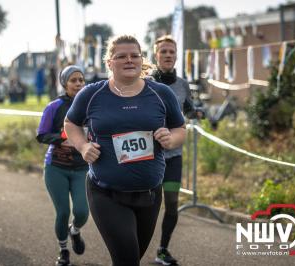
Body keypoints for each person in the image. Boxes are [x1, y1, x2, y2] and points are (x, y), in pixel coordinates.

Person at [64, 35, 186, 266]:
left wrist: (171, 139)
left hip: (150, 194)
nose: (129, 60)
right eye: (121, 56)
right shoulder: (91, 94)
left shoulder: (161, 93)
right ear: (109, 62)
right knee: (128, 259)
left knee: (131, 258)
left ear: (142, 59)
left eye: (134, 55)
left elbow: (180, 128)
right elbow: (70, 123)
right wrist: (83, 146)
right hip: (106, 192)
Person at [151, 35, 202, 266]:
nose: (168, 55)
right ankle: (134, 247)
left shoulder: (182, 85)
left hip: (173, 156)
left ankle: (162, 249)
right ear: (156, 55)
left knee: (171, 203)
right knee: (149, 205)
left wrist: (198, 113)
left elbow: (189, 109)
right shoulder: (145, 82)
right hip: (147, 155)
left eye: (172, 52)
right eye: (164, 52)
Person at [36, 65, 89, 266]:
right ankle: (63, 250)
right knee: (63, 212)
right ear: (64, 83)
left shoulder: (90, 105)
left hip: (82, 168)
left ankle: (74, 231)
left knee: (83, 212)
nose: (78, 84)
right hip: (56, 167)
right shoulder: (54, 106)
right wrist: (61, 139)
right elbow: (42, 134)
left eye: (81, 80)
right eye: (73, 80)